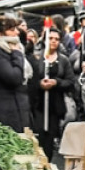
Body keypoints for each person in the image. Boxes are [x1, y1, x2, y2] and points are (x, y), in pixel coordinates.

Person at [0, 15, 31, 132]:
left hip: (18, 108)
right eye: (12, 30)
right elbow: (13, 77)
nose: (17, 33)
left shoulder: (10, 50)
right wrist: (17, 55)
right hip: (5, 112)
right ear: (0, 34)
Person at [31, 30, 74, 159]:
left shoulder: (63, 60)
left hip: (55, 107)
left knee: (49, 139)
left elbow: (71, 82)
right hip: (38, 105)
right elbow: (29, 81)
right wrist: (39, 84)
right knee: (38, 137)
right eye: (50, 38)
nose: (53, 41)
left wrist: (56, 82)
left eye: (56, 38)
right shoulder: (36, 58)